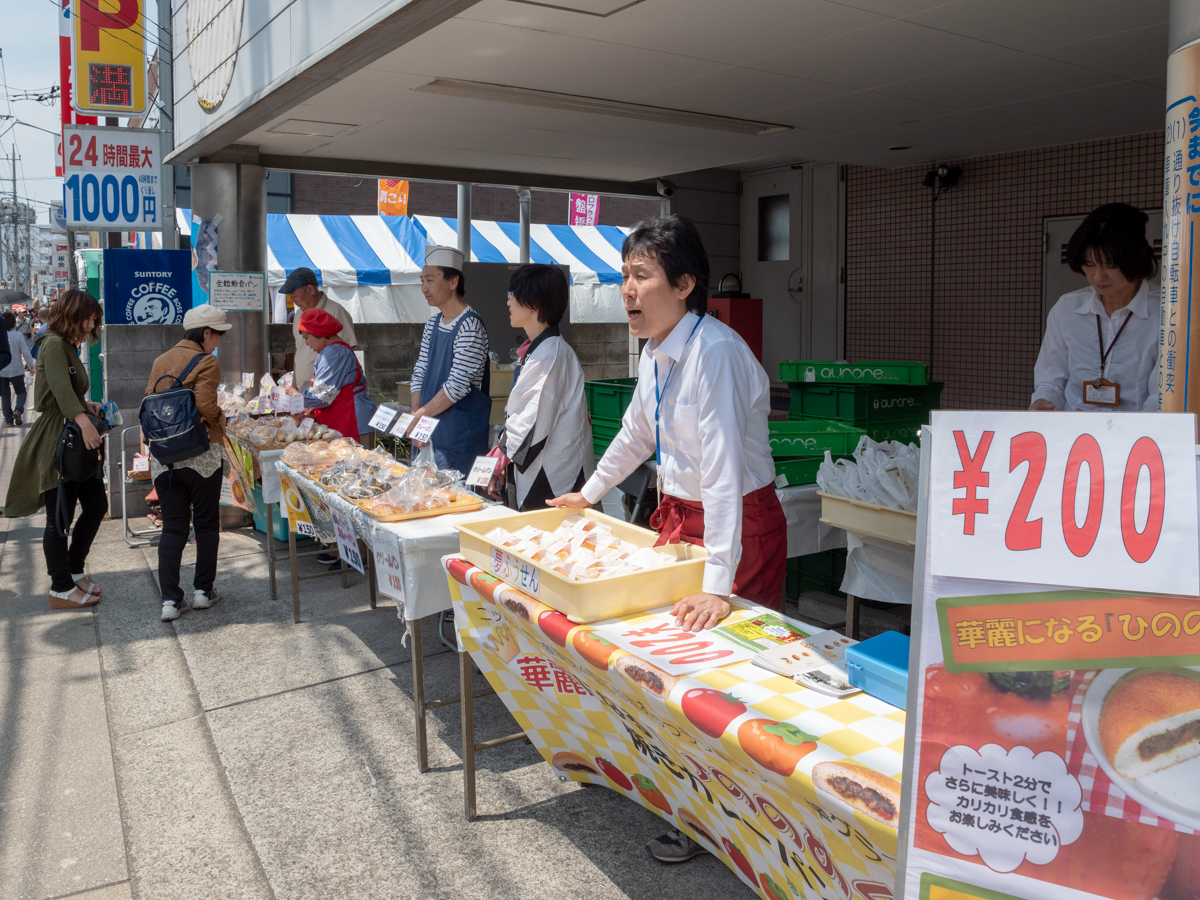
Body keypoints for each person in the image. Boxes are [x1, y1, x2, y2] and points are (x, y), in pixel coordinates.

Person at [548, 216, 785, 864]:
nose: (628, 289)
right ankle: (693, 799)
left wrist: (717, 585)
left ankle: (735, 818)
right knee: (675, 667)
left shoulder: (717, 353)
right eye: (624, 274)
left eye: (642, 275)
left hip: (737, 525)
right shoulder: (655, 351)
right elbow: (635, 436)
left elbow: (726, 474)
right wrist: (588, 494)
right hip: (684, 519)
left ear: (684, 284)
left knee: (731, 675)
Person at [4, 290, 107, 609]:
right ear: (74, 315)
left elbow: (67, 390)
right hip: (57, 440)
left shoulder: (66, 345)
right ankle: (60, 587)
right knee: (59, 516)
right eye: (89, 318)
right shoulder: (52, 343)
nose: (92, 325)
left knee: (95, 504)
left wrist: (85, 406)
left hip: (71, 436)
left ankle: (74, 570)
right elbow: (60, 391)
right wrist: (81, 417)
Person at [145, 305, 233, 622]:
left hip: (165, 459)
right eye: (218, 334)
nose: (219, 341)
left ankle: (170, 600)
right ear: (206, 333)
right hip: (201, 456)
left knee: (173, 528)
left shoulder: (160, 360)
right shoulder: (207, 362)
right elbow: (206, 404)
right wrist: (221, 417)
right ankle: (202, 592)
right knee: (207, 524)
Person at [1032, 203, 1159, 411]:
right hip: (1074, 436)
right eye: (1089, 264)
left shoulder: (1165, 313)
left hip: (1135, 438)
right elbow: (1050, 380)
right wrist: (1044, 400)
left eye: (1111, 265)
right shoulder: (1066, 308)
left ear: (1136, 257)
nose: (1098, 277)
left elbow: (1160, 398)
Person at [489, 264, 592, 510]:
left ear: (533, 303)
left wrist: (498, 459)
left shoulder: (551, 353)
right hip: (542, 469)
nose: (508, 302)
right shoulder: (543, 350)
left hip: (551, 475)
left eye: (512, 295)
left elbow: (530, 418)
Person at [407, 245, 491, 474]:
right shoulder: (432, 324)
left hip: (457, 435)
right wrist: (417, 414)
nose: (424, 288)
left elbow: (457, 386)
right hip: (428, 425)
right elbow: (419, 372)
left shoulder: (470, 325)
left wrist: (419, 417)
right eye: (422, 280)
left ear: (453, 281)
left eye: (431, 280)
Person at [298, 307, 378, 442]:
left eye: (307, 337)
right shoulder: (336, 350)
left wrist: (294, 397)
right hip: (346, 416)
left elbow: (320, 397)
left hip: (350, 417)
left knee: (355, 461)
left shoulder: (334, 352)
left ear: (318, 333)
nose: (307, 343)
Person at [282, 267, 358, 390]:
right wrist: (295, 385)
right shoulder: (298, 315)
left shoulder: (335, 312)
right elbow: (299, 349)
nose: (292, 301)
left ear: (310, 289)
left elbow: (347, 352)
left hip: (326, 391)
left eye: (294, 296)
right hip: (304, 389)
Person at [0, 311, 35, 426]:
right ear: (13, 323)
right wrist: (31, 365)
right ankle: (18, 410)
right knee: (21, 392)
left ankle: (9, 420)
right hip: (17, 370)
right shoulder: (18, 335)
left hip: (2, 370)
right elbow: (25, 352)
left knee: (5, 395)